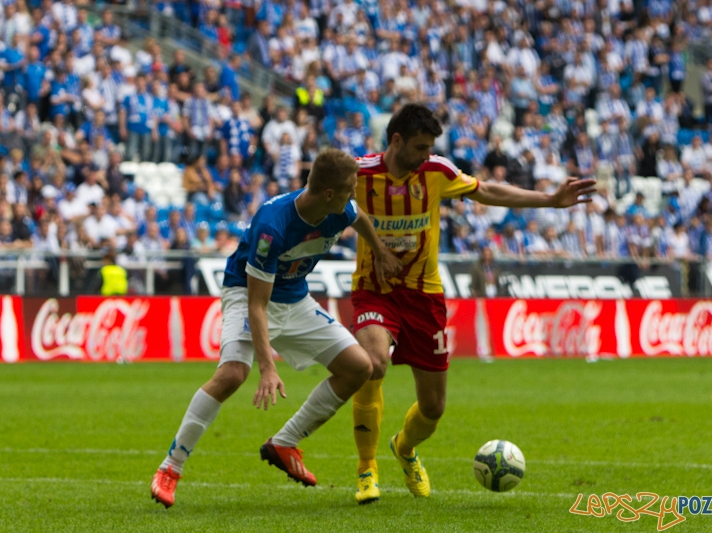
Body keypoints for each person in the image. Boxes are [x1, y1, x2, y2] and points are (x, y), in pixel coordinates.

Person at [350, 103, 596, 504]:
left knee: (433, 408)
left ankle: (404, 448)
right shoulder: (359, 174)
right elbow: (320, 194)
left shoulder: (437, 172)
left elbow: (487, 190)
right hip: (373, 291)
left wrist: (550, 200)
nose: (426, 155)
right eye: (420, 147)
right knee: (372, 363)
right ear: (396, 141)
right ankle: (366, 469)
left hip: (424, 295)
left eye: (431, 148)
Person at [150, 148, 402, 508]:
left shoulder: (340, 209)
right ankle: (170, 468)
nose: (354, 194)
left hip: (294, 298)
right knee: (234, 374)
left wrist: (378, 250)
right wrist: (267, 367)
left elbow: (359, 217)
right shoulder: (273, 225)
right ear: (328, 193)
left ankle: (284, 443)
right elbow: (257, 304)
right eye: (350, 188)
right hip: (247, 292)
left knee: (360, 367)